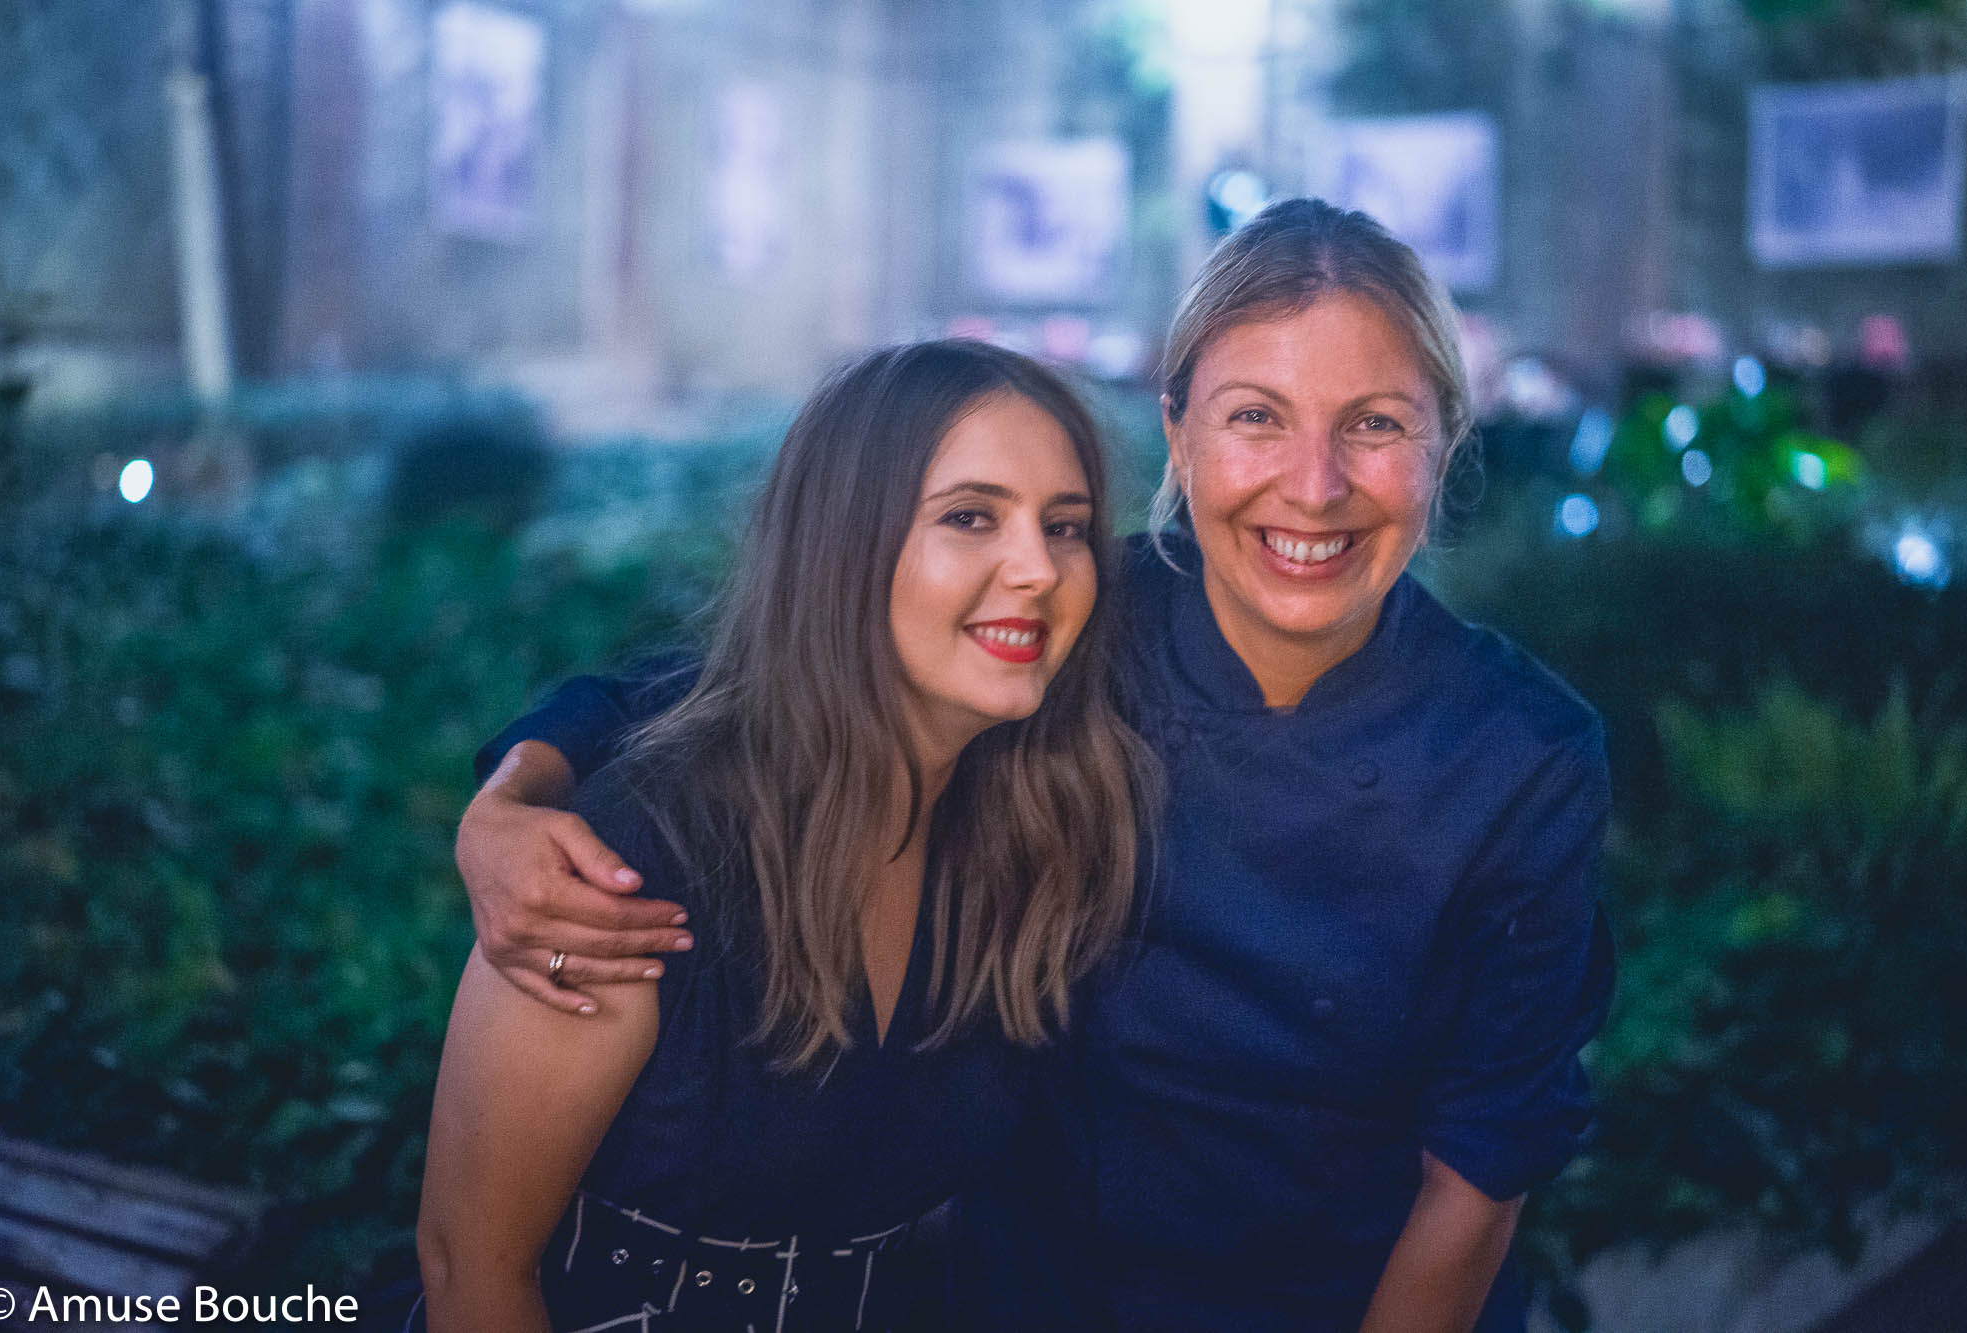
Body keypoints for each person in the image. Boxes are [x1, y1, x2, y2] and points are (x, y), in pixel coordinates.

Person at [458, 199, 1615, 1331]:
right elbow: (785, 679)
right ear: (1177, 434)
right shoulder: (1073, 615)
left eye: (1373, 424)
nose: (1311, 486)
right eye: (1256, 416)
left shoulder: (1522, 756)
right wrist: (521, 788)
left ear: (1443, 444)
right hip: (1032, 1297)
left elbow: (1476, 1177)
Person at [414, 339, 1156, 1332]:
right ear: (841, 546)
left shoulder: (1021, 834)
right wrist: (512, 789)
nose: (1037, 568)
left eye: (1065, 527)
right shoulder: (623, 863)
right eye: (969, 517)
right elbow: (471, 1267)